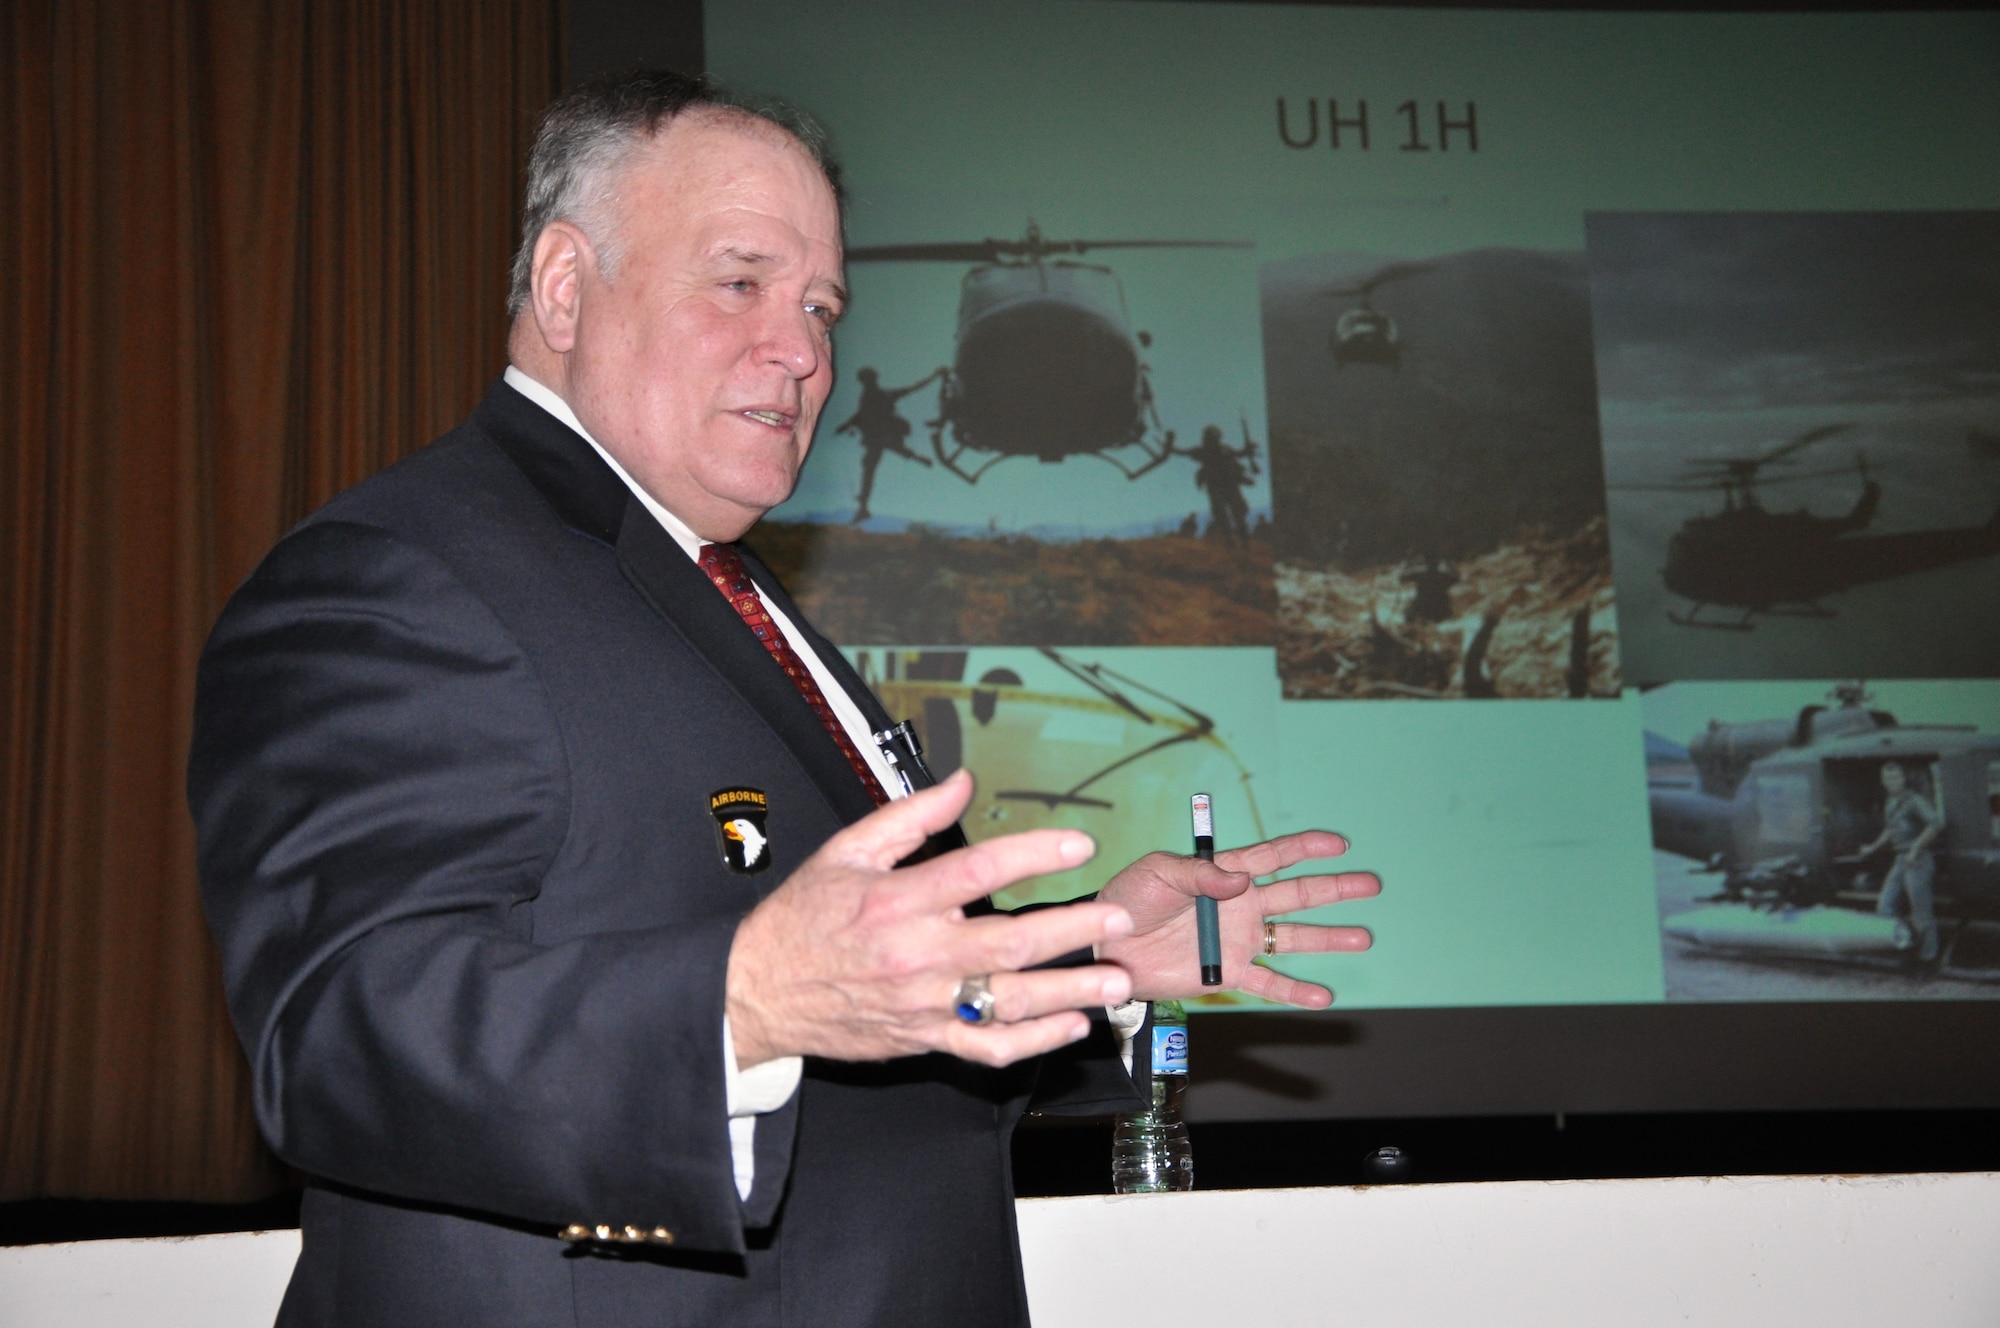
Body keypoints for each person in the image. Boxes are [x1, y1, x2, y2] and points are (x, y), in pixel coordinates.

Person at [188, 71, 1378, 1328]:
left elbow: (871, 1022)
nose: (803, 351)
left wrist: (1096, 960)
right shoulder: (397, 575)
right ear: (562, 286)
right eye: (739, 281)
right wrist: (746, 999)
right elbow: (337, 1036)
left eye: (820, 305)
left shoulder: (727, 592)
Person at [1861, 760, 1943, 964]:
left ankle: (1928, 959)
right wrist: (1873, 847)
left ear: (1903, 778)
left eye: (1896, 777)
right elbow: (1890, 828)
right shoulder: (1890, 801)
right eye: (1888, 778)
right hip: (1900, 860)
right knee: (1885, 907)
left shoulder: (1914, 800)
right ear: (1883, 781)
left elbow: (1936, 823)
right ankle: (1905, 943)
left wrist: (1915, 848)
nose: (1893, 781)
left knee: (1921, 914)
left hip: (1918, 860)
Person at [835, 365, 941, 521]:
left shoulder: (882, 395)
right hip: (878, 439)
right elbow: (861, 415)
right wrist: (846, 426)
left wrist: (934, 376)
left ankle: (863, 507)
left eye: (867, 381)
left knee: (870, 469)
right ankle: (863, 508)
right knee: (869, 470)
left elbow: (912, 389)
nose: (866, 384)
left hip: (884, 437)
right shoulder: (869, 397)